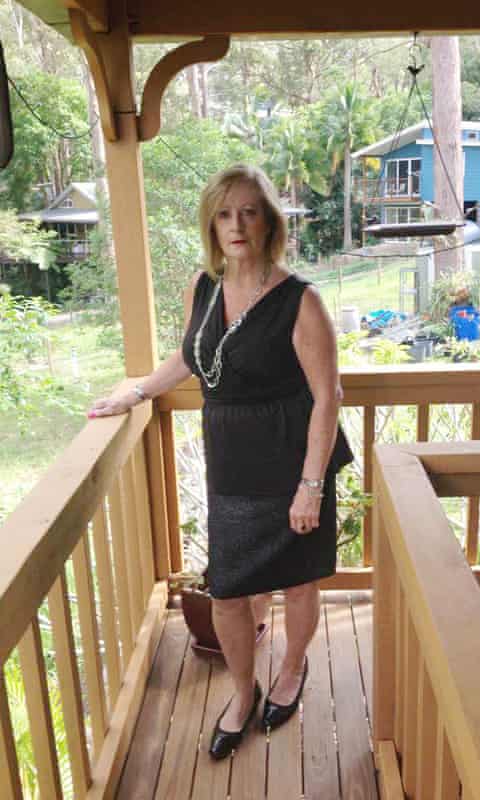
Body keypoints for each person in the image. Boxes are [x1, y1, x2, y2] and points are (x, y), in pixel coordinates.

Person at [88, 163, 353, 760]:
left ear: (268, 222)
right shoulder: (203, 288)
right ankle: (242, 691)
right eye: (225, 213)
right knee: (229, 592)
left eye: (249, 212)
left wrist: (311, 486)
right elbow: (190, 358)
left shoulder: (300, 300)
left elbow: (327, 397)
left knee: (299, 578)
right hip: (232, 466)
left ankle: (290, 670)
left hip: (293, 464)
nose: (236, 225)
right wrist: (135, 392)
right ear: (212, 223)